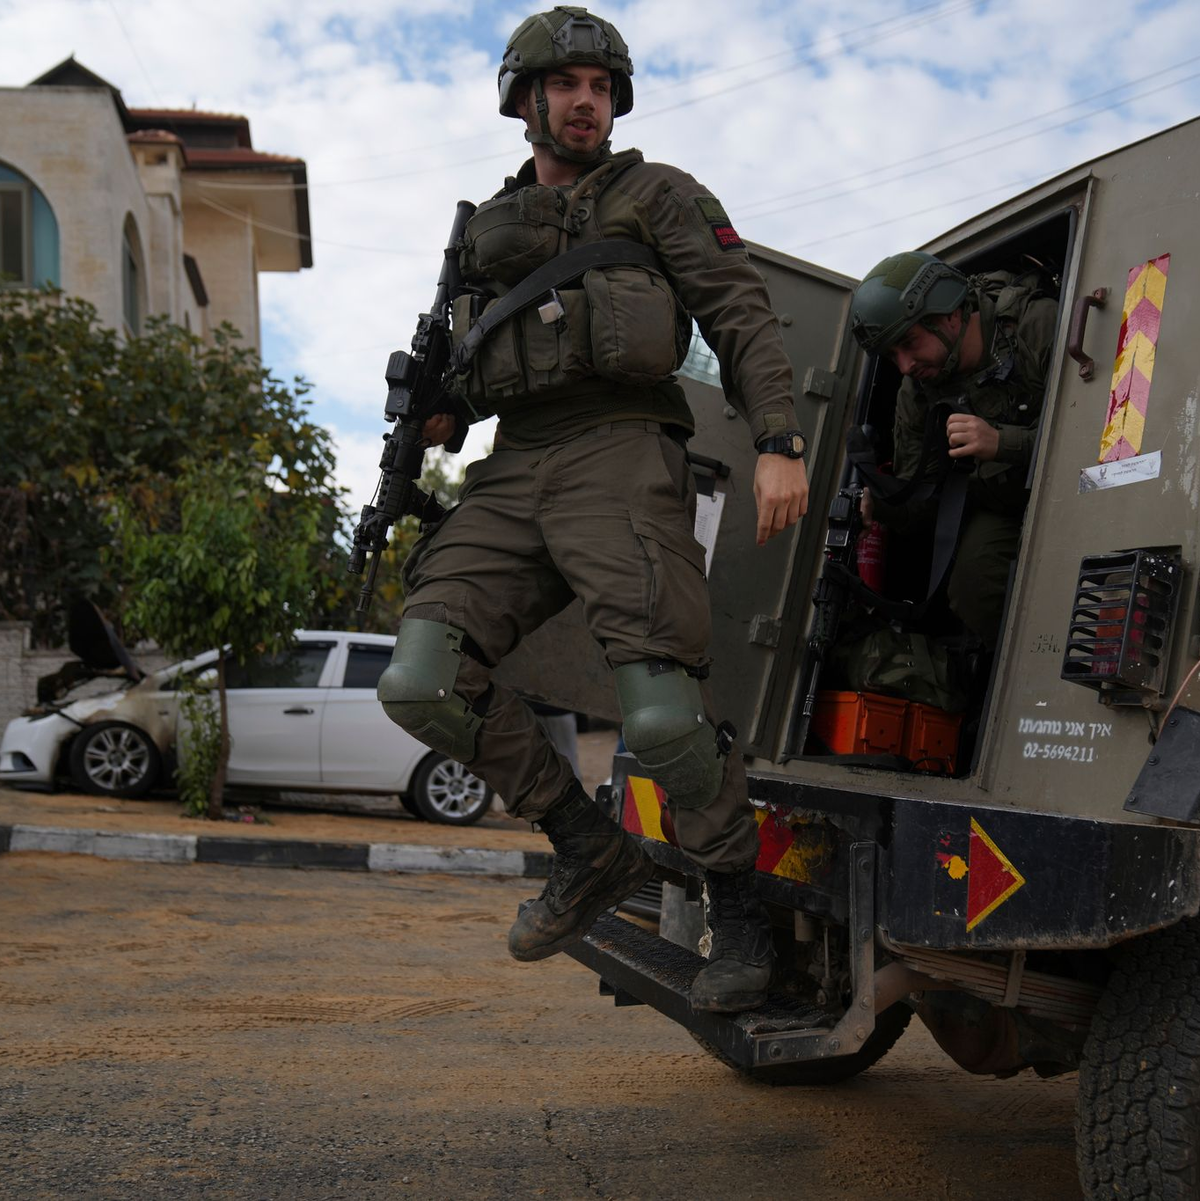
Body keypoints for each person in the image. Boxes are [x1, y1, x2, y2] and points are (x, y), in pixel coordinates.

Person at [377, 5, 808, 1013]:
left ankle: (739, 910)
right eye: (566, 86)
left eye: (602, 88)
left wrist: (778, 439)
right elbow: (484, 362)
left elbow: (738, 312)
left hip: (623, 447)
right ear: (524, 99)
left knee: (661, 716)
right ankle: (586, 847)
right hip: (515, 463)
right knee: (419, 679)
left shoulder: (657, 194)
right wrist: (442, 413)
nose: (586, 103)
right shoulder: (488, 229)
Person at [848, 251, 1058, 647]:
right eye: (892, 355)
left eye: (909, 343)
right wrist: (879, 503)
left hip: (1078, 485)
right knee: (973, 589)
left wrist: (1003, 443)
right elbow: (922, 501)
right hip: (1006, 504)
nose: (905, 365)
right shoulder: (918, 393)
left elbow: (1104, 431)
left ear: (950, 315)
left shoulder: (1036, 325)